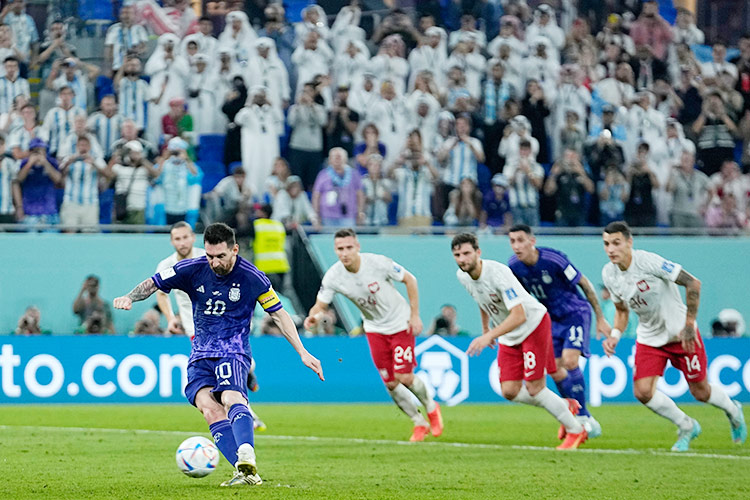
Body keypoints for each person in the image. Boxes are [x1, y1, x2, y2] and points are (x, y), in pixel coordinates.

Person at [113, 222, 324, 486]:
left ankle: (247, 451)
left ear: (234, 249)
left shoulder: (252, 276)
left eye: (220, 256)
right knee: (208, 408)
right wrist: (130, 297)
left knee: (230, 395)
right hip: (200, 353)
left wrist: (302, 352)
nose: (214, 262)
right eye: (210, 256)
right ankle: (245, 472)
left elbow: (279, 315)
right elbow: (154, 283)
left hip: (232, 349)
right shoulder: (193, 268)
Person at [600, 221, 747, 451]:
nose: (610, 249)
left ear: (630, 242)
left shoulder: (648, 262)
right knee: (642, 391)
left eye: (616, 243)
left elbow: (692, 283)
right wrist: (615, 335)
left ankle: (733, 410)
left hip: (680, 334)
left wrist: (689, 324)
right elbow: (621, 311)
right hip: (649, 337)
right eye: (606, 244)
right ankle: (686, 425)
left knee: (700, 391)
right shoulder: (609, 274)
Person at [303, 228, 443, 442]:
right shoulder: (334, 276)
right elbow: (319, 305)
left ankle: (432, 408)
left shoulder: (377, 263)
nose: (345, 253)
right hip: (375, 329)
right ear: (335, 250)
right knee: (390, 383)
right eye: (340, 249)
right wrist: (313, 317)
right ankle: (419, 423)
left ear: (358, 247)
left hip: (400, 322)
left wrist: (415, 315)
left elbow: (410, 280)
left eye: (349, 247)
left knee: (404, 377)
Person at [452, 233, 588, 449]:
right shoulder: (463, 276)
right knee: (509, 391)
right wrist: (485, 328)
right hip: (509, 333)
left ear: (478, 253)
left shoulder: (498, 273)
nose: (462, 259)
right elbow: (481, 299)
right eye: (457, 255)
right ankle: (561, 404)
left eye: (467, 253)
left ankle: (576, 430)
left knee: (535, 388)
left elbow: (519, 315)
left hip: (532, 325)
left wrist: (489, 335)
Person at [507, 224, 610, 439]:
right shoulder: (514, 267)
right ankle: (573, 414)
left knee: (570, 361)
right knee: (554, 370)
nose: (516, 246)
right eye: (512, 241)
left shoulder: (553, 259)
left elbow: (584, 283)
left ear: (531, 241)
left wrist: (600, 317)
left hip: (575, 313)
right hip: (550, 319)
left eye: (520, 240)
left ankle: (584, 417)